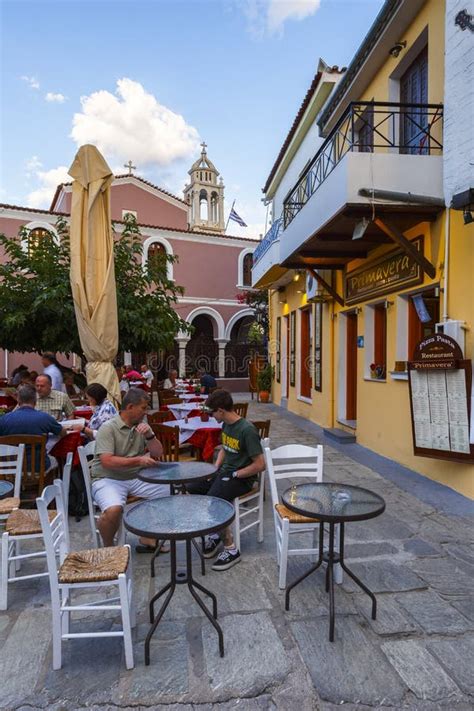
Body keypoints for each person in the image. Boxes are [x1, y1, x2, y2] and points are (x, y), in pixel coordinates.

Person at [186, 389, 264, 571]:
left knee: (214, 502)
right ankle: (215, 532)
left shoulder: (247, 430)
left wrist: (236, 474)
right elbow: (224, 448)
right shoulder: (226, 425)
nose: (211, 416)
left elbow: (260, 464)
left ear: (221, 410)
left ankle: (231, 548)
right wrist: (215, 467)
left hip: (241, 478)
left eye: (212, 412)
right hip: (225, 473)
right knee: (192, 486)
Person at [90, 388, 168, 548]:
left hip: (135, 477)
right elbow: (107, 461)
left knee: (170, 492)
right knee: (113, 510)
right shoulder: (108, 428)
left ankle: (148, 536)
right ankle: (109, 548)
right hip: (108, 478)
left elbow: (158, 452)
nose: (146, 412)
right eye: (143, 408)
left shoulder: (142, 426)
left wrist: (150, 436)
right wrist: (138, 460)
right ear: (130, 407)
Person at [0, 384, 66, 471]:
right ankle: (49, 484)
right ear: (35, 401)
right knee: (54, 460)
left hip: (10, 468)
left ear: (18, 401)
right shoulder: (45, 418)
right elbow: (63, 433)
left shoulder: (4, 419)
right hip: (38, 467)